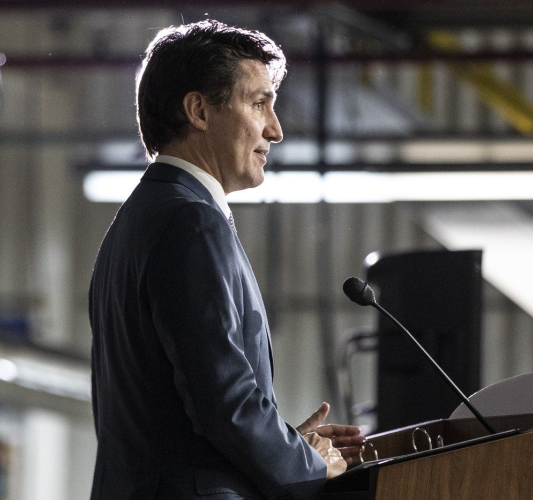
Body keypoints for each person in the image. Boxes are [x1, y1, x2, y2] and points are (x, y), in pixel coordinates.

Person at [88, 20, 364, 500]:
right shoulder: (189, 222)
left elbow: (176, 414)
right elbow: (222, 400)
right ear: (198, 110)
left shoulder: (139, 219)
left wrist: (286, 444)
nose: (274, 130)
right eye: (258, 104)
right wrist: (305, 465)